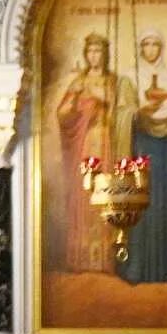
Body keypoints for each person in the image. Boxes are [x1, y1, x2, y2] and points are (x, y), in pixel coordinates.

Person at [54, 33, 133, 275]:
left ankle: (105, 259)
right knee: (84, 195)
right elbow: (63, 114)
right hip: (86, 144)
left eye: (99, 51)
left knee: (105, 195)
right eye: (91, 51)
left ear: (105, 54)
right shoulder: (79, 81)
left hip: (107, 142)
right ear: (86, 54)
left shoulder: (113, 80)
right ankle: (83, 259)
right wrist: (78, 96)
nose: (94, 56)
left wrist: (104, 102)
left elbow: (122, 110)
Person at [123, 33, 167, 285]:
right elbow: (121, 114)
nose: (150, 49)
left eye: (155, 44)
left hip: (166, 148)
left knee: (165, 202)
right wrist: (139, 113)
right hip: (142, 145)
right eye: (146, 44)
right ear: (140, 48)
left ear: (162, 47)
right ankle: (137, 268)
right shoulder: (129, 76)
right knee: (142, 200)